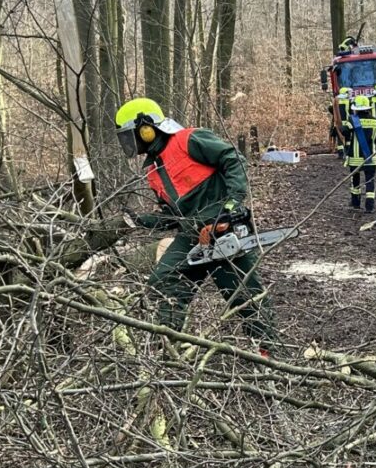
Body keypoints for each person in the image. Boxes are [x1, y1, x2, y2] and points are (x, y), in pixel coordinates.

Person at [115, 98, 276, 352]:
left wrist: (231, 207)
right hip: (191, 233)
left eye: (131, 135)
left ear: (146, 128)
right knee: (165, 279)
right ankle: (169, 348)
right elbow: (173, 216)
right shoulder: (154, 170)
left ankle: (271, 353)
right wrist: (139, 220)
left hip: (223, 228)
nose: (130, 143)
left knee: (243, 295)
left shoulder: (189, 139)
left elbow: (233, 159)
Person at [342, 94, 376, 212]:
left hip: (355, 158)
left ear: (356, 109)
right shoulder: (375, 122)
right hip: (371, 157)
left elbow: (345, 132)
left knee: (355, 181)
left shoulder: (352, 120)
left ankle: (355, 203)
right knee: (370, 181)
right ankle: (369, 206)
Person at [331, 87, 351, 159]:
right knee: (348, 139)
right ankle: (348, 153)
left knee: (339, 139)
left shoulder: (336, 101)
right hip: (347, 123)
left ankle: (340, 154)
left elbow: (331, 108)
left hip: (338, 123)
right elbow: (351, 112)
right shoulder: (349, 101)